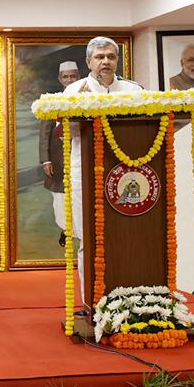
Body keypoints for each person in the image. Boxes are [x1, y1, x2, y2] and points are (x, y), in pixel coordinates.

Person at [62, 37, 143, 309]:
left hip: (126, 175)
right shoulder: (74, 90)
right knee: (89, 239)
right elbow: (66, 134)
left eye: (110, 56)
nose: (105, 61)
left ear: (117, 60)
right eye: (99, 57)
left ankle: (129, 300)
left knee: (126, 236)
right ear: (89, 62)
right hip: (84, 173)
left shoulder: (134, 91)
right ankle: (93, 304)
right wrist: (81, 109)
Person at [39, 61, 80, 247]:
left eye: (73, 76)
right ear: (60, 79)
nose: (69, 79)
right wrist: (45, 160)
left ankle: (80, 230)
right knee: (60, 198)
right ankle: (66, 230)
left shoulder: (87, 99)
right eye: (66, 76)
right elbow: (44, 134)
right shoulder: (52, 101)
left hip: (81, 159)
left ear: (78, 77)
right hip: (58, 160)